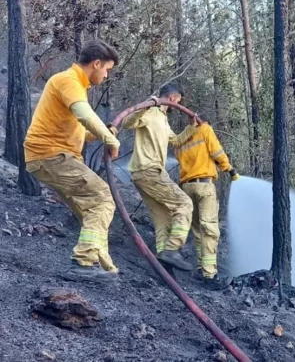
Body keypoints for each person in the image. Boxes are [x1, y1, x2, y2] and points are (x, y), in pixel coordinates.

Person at [24, 40, 122, 282]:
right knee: (102, 198)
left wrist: (102, 133)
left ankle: (103, 266)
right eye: (107, 69)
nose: (107, 74)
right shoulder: (69, 80)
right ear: (96, 63)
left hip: (52, 156)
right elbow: (84, 115)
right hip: (51, 155)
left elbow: (79, 130)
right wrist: (110, 139)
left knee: (92, 209)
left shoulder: (75, 85)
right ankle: (83, 262)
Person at [122, 84, 199, 272]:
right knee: (184, 204)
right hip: (148, 171)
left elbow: (176, 141)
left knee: (163, 218)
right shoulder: (151, 112)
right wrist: (146, 106)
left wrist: (192, 127)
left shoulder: (163, 119)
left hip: (146, 173)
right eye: (179, 101)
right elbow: (126, 123)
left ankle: (164, 269)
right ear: (173, 98)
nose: (178, 105)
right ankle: (172, 250)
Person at [174, 116, 239, 289]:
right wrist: (230, 170)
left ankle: (201, 267)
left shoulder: (181, 139)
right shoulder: (205, 129)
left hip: (186, 188)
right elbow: (217, 152)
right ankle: (209, 275)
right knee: (209, 229)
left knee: (197, 230)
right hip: (204, 186)